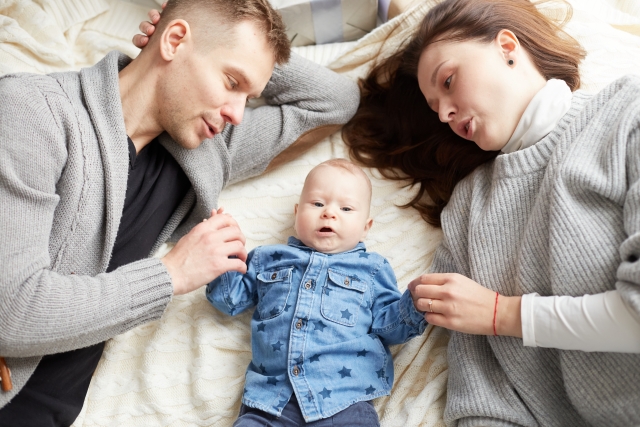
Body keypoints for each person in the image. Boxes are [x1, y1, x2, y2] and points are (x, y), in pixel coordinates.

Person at [0, 0, 360, 424]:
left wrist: (243, 46)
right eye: (231, 81)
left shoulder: (207, 152)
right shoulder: (33, 110)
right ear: (175, 41)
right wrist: (173, 274)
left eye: (249, 95)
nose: (238, 113)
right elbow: (13, 311)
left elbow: (335, 101)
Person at [342, 0, 640, 425]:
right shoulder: (468, 208)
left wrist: (502, 314)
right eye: (434, 107)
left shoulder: (627, 113)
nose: (444, 113)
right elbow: (483, 394)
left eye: (448, 81)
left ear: (506, 46)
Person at [205, 159, 428, 426]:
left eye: (346, 208)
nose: (329, 213)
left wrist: (413, 305)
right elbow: (228, 300)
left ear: (366, 227)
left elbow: (389, 328)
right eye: (317, 204)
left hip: (344, 401)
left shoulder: (371, 269)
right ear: (297, 212)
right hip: (271, 401)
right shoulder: (269, 258)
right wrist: (223, 251)